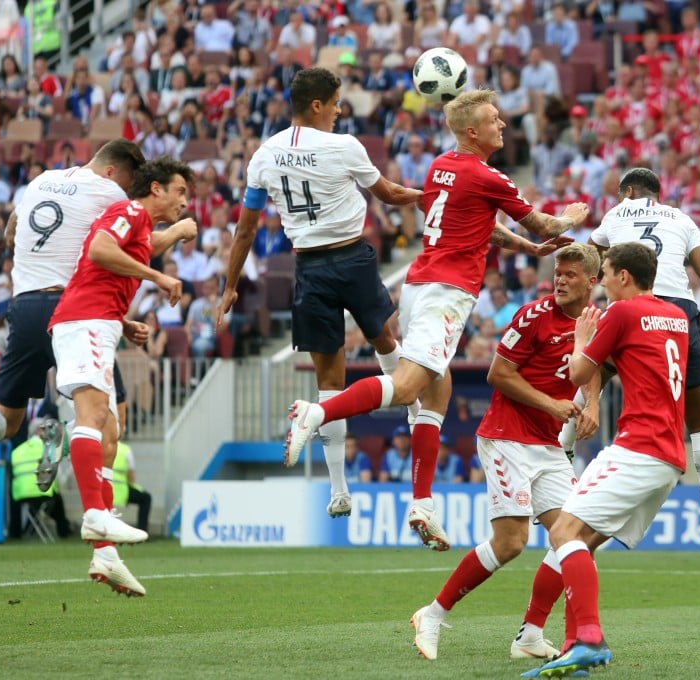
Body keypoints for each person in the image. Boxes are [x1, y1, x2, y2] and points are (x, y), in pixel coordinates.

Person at [275, 88, 587, 551]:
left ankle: (423, 504)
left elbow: (482, 224)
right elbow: (541, 223)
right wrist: (569, 217)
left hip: (421, 284)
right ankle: (316, 411)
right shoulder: (488, 176)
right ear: (472, 130)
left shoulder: (442, 166)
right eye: (494, 119)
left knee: (438, 393)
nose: (503, 124)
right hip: (447, 291)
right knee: (405, 388)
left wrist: (525, 248)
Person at [215, 67, 422, 521]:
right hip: (351, 258)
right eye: (335, 102)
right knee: (384, 338)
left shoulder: (264, 155)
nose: (339, 110)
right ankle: (411, 406)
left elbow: (246, 227)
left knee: (329, 383)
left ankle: (339, 489)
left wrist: (229, 286)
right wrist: (428, 194)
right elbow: (386, 194)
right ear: (317, 106)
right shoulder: (344, 145)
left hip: (308, 267)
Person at [410, 244, 601, 662]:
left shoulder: (594, 321)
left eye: (571, 275)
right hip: (506, 437)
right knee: (512, 542)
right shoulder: (533, 316)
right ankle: (434, 613)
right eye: (558, 272)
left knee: (576, 536)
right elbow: (498, 374)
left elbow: (595, 362)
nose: (561, 280)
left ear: (592, 282)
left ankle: (530, 635)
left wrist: (595, 403)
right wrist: (552, 405)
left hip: (547, 444)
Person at [531, 242, 691, 677]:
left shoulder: (622, 312)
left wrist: (582, 340)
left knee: (563, 531)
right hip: (670, 454)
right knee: (577, 544)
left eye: (604, 272)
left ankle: (588, 639)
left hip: (639, 446)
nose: (599, 281)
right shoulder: (675, 316)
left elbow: (578, 374)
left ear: (623, 276)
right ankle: (572, 648)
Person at [0, 140, 147, 472]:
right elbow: (127, 245)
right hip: (71, 313)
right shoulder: (110, 194)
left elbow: (12, 228)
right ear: (111, 171)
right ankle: (64, 441)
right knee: (113, 417)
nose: (125, 191)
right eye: (125, 183)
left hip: (23, 307)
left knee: (6, 418)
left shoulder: (42, 181)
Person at [49, 156, 197, 597]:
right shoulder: (129, 211)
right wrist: (158, 277)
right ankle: (94, 514)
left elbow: (121, 259)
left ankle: (106, 554)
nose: (183, 201)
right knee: (92, 419)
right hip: (85, 322)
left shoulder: (140, 229)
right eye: (180, 191)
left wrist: (123, 319)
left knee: (112, 433)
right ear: (156, 189)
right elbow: (98, 250)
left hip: (100, 322)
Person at [583, 167, 700, 550]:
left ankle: (565, 469)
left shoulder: (616, 215)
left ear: (629, 191)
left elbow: (589, 259)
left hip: (631, 307)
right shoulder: (682, 219)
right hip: (680, 314)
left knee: (590, 380)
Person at [10, 417, 73, 539]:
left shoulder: (17, 451)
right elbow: (55, 476)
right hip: (43, 492)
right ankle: (64, 530)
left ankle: (16, 533)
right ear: (40, 431)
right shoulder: (49, 449)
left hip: (21, 496)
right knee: (57, 498)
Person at [112, 440, 152, 533]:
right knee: (146, 498)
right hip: (121, 490)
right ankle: (142, 531)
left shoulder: (102, 446)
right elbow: (131, 474)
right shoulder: (125, 450)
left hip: (104, 489)